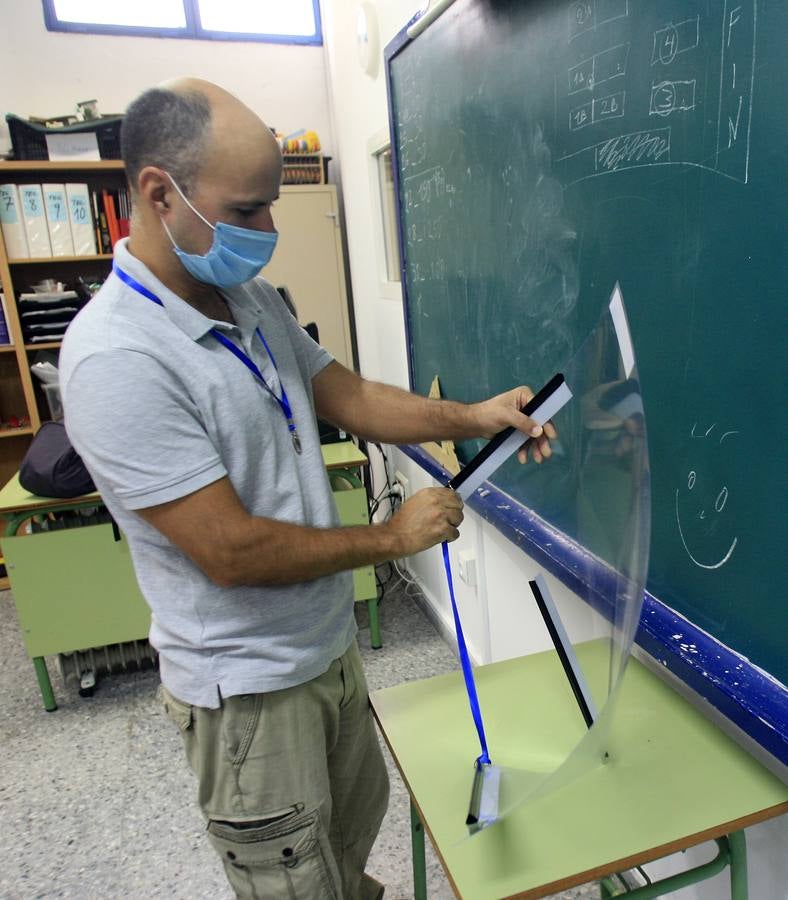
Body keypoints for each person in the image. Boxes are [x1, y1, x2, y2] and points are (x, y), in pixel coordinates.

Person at [59, 79, 555, 900]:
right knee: (293, 882)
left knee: (345, 851)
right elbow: (229, 548)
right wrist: (395, 539)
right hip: (249, 692)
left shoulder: (246, 298)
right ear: (157, 193)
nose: (268, 234)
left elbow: (347, 395)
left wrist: (474, 414)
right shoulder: (117, 360)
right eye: (249, 210)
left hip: (323, 650)